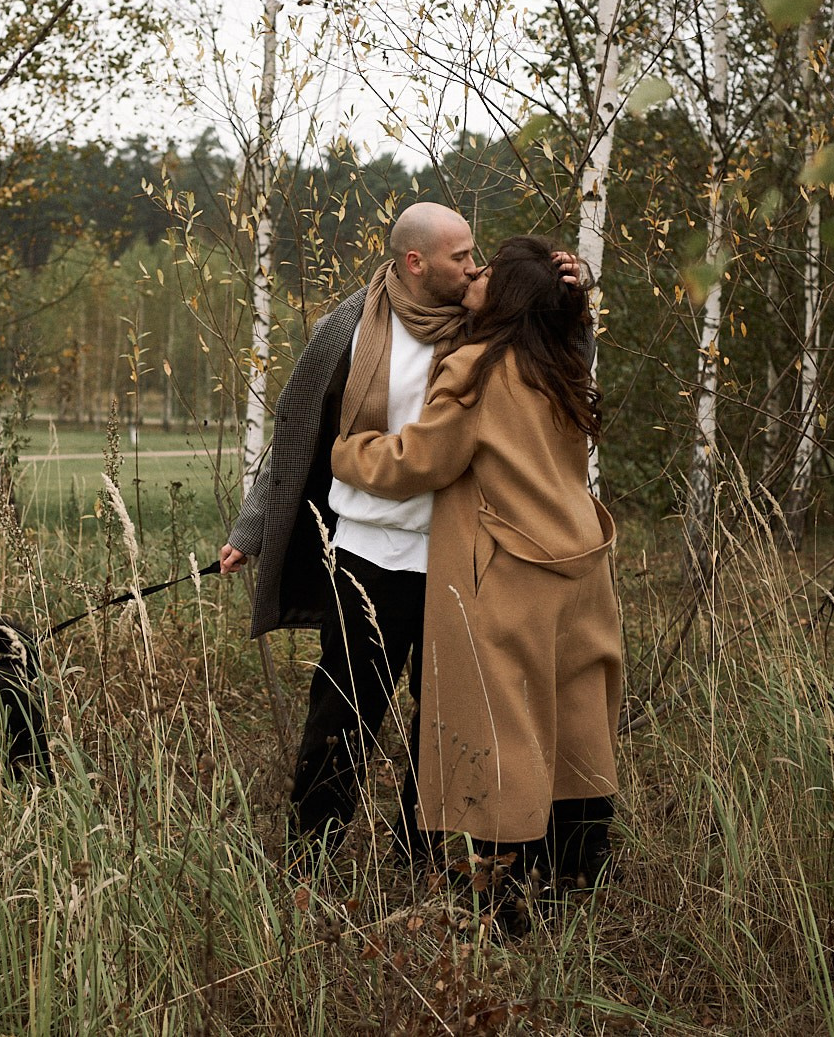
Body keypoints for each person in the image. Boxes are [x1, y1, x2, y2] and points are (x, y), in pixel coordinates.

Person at [219, 204, 578, 857]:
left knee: (443, 722)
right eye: (460, 256)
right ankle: (312, 858)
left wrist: (570, 294)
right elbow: (298, 432)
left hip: (457, 559)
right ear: (415, 262)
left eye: (476, 253)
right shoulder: (351, 327)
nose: (474, 265)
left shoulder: (487, 324)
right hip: (365, 556)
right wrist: (252, 528)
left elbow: (558, 361)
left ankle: (420, 856)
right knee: (341, 717)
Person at [330, 235, 621, 914]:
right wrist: (575, 301)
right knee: (574, 717)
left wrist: (349, 451)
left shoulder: (476, 368)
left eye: (489, 270)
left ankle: (497, 894)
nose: (477, 273)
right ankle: (576, 871)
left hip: (511, 570)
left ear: (511, 293)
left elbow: (417, 462)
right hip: (579, 565)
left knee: (499, 724)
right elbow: (577, 332)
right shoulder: (559, 359)